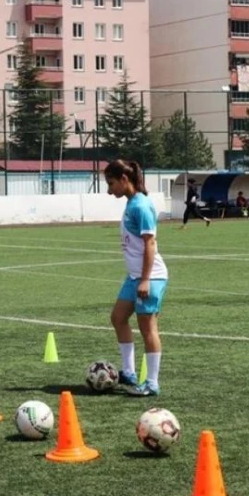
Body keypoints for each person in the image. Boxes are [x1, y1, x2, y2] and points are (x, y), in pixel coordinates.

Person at [105, 159, 168, 397]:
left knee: (147, 328)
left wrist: (145, 280)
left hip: (150, 278)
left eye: (111, 184)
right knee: (118, 318)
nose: (110, 190)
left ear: (124, 179)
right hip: (135, 277)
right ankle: (129, 372)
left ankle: (151, 383)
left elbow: (150, 244)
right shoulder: (132, 203)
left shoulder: (141, 206)